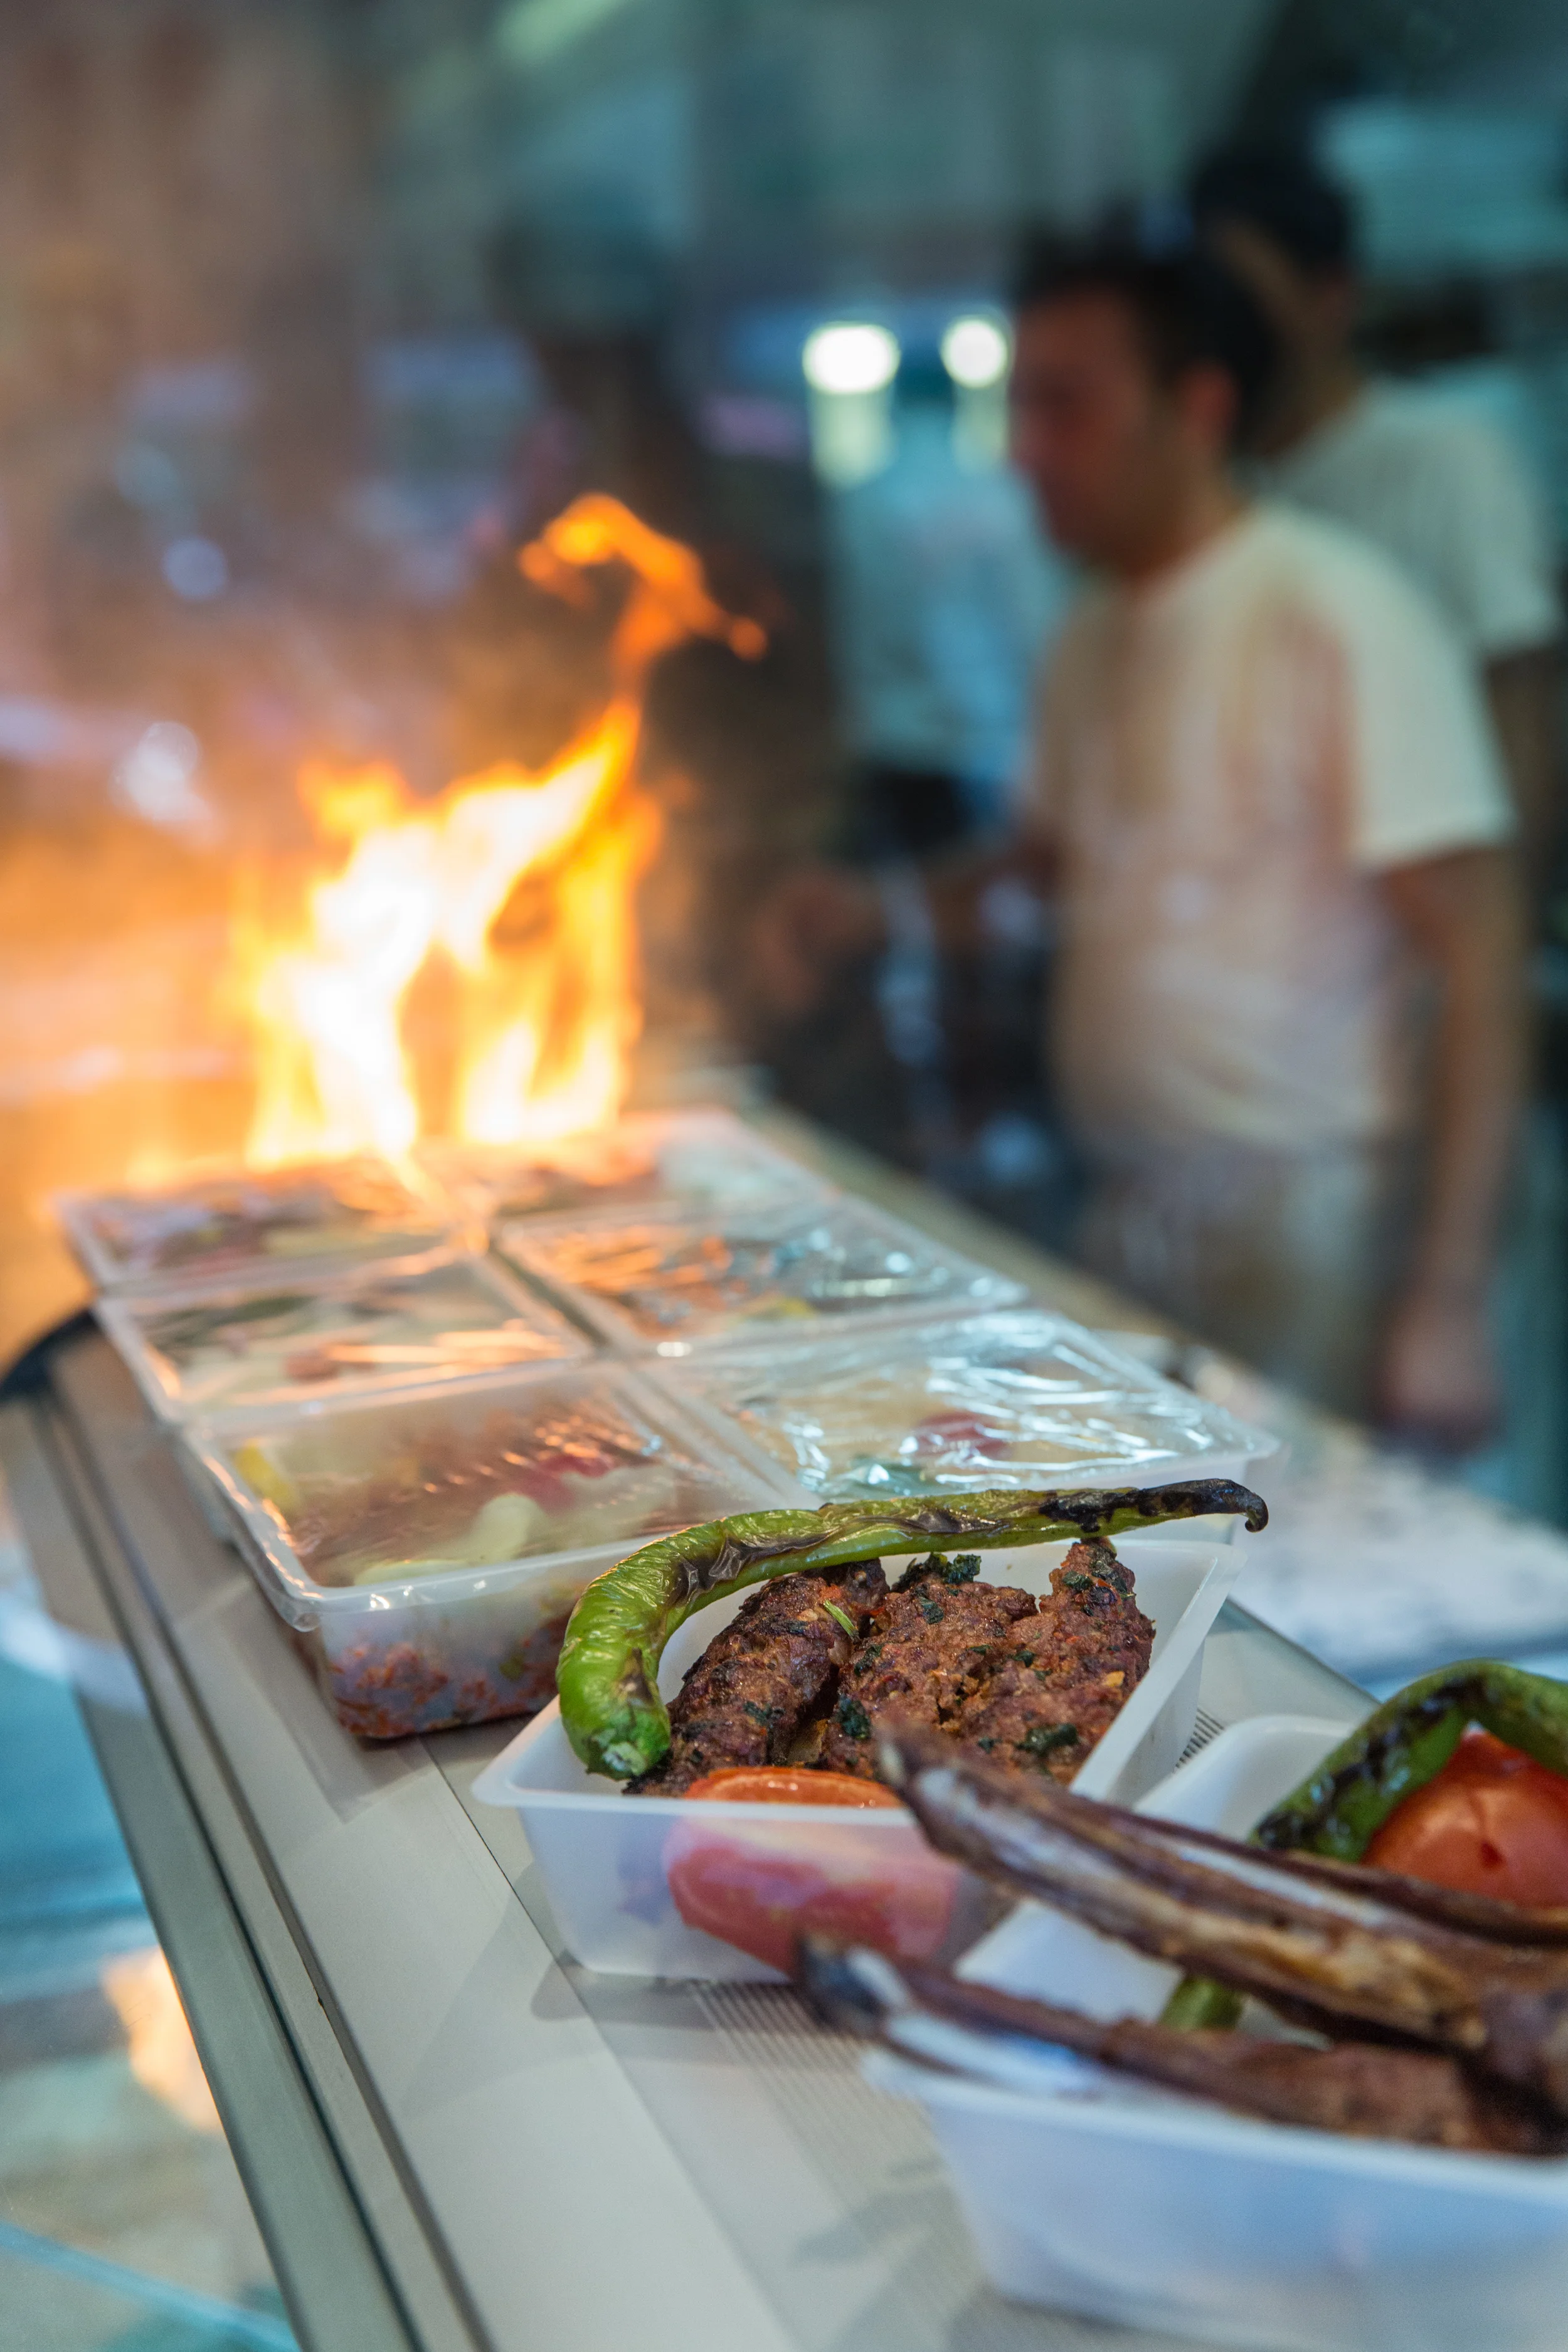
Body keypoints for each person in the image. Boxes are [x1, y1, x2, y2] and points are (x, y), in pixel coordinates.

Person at [755, 235, 1526, 1448]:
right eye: (1017, 405)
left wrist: (1447, 1297)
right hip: (1130, 1196)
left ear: (1197, 406)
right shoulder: (1094, 633)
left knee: (1309, 1576)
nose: (1022, 449)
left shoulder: (1339, 613)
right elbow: (1042, 871)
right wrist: (875, 909)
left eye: (1064, 405)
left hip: (1312, 1211)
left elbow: (1481, 953)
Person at [1191, 144, 1563, 871]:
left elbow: (1521, 710)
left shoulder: (1447, 458)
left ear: (1331, 297)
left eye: (1246, 296)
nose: (1224, 328)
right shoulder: (1213, 487)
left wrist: (1485, 952)